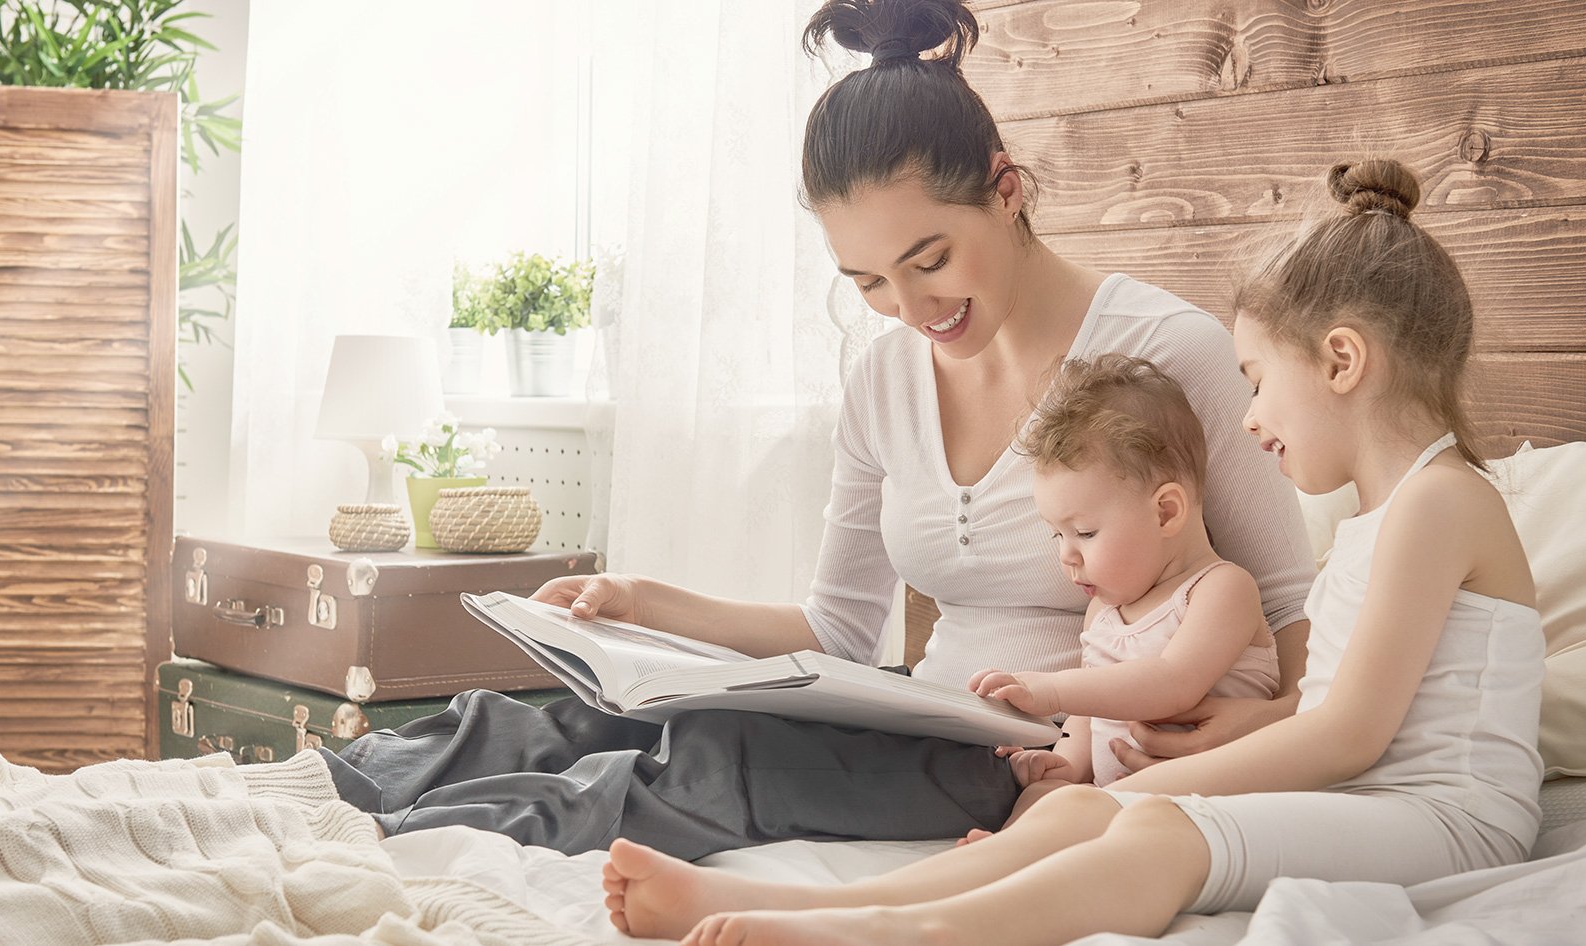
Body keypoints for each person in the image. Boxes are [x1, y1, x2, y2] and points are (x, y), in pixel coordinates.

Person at [315, 0, 1316, 858]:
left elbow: (1292, 624)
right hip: (920, 713)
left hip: (1034, 759)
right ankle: (309, 803)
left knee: (706, 766)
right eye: (870, 282)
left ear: (1005, 192)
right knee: (585, 718)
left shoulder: (1167, 355)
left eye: (930, 259)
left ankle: (389, 844)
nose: (912, 307)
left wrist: (1266, 725)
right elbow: (837, 627)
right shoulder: (883, 377)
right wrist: (640, 602)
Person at [599, 157, 1546, 946]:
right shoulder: (1381, 519)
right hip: (1376, 800)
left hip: (1448, 819)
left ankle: (885, 934)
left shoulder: (1438, 502)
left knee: (1158, 832)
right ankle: (794, 903)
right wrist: (1142, 780)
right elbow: (1331, 715)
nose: (1249, 420)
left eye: (1257, 383)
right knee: (1078, 810)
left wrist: (1155, 785)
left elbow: (1348, 737)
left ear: (1341, 362)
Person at [969, 353, 1276, 807]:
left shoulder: (1221, 589)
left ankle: (1007, 862)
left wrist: (1049, 688)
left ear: (1166, 511)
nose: (1066, 556)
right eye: (1057, 535)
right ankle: (994, 859)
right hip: (1121, 802)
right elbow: (1090, 715)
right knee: (1045, 797)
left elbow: (1172, 685)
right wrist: (1066, 764)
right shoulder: (1103, 612)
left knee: (1072, 813)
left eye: (1086, 533)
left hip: (1213, 805)